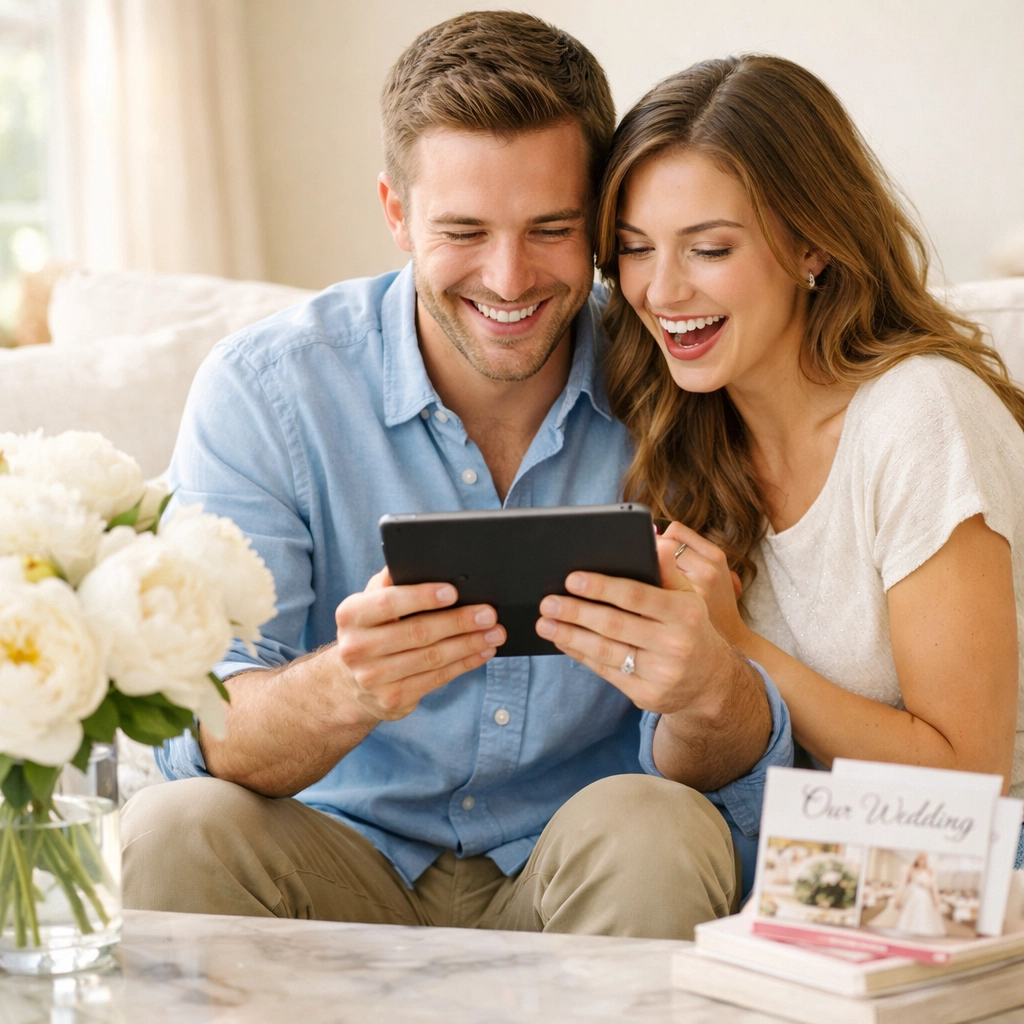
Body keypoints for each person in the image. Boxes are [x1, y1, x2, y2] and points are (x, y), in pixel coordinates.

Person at [119, 14, 792, 939]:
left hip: (576, 862)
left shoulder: (680, 375)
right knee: (173, 827)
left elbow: (723, 767)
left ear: (600, 221)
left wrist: (709, 688)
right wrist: (347, 687)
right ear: (396, 212)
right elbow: (195, 720)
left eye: (551, 228)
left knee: (659, 825)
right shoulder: (268, 389)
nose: (509, 279)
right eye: (464, 230)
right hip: (332, 855)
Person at [551, 55, 1024, 852]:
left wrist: (736, 647)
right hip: (812, 858)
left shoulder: (918, 417)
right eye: (634, 249)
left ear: (812, 246)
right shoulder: (690, 425)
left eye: (708, 249)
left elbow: (966, 782)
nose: (661, 291)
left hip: (982, 859)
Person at [894, 854, 946, 937]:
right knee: (911, 914)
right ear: (916, 859)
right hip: (913, 896)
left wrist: (936, 898)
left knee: (924, 913)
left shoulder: (929, 870)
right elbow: (902, 884)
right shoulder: (911, 869)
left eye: (924, 859)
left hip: (925, 896)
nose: (922, 861)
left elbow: (933, 886)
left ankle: (923, 934)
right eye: (920, 858)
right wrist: (897, 898)